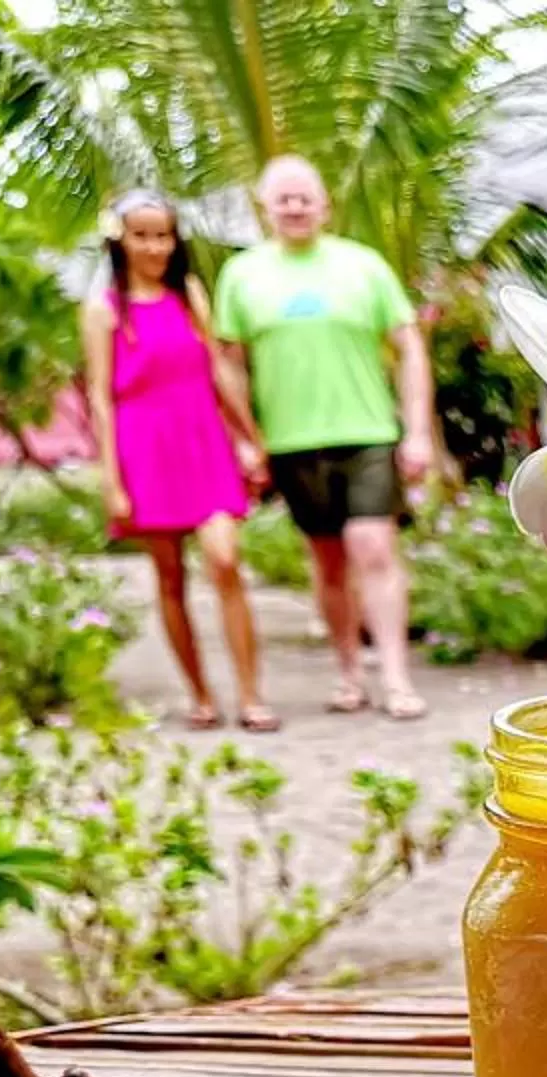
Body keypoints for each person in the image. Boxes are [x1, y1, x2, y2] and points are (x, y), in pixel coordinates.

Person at [214, 154, 436, 720]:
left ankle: (395, 675)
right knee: (328, 561)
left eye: (304, 196)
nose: (294, 207)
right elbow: (230, 363)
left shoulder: (363, 266)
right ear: (264, 209)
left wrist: (416, 432)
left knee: (374, 547)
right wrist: (245, 438)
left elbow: (409, 346)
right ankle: (347, 673)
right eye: (282, 198)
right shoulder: (241, 276)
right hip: (291, 441)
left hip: (367, 432)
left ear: (324, 202)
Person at [80, 190, 272, 730]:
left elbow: (217, 369)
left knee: (225, 561)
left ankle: (251, 695)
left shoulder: (187, 293)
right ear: (121, 240)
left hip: (202, 441)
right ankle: (201, 696)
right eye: (142, 235)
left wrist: (250, 437)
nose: (154, 246)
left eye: (163, 234)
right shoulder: (103, 311)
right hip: (144, 449)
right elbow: (99, 395)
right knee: (169, 578)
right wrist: (112, 480)